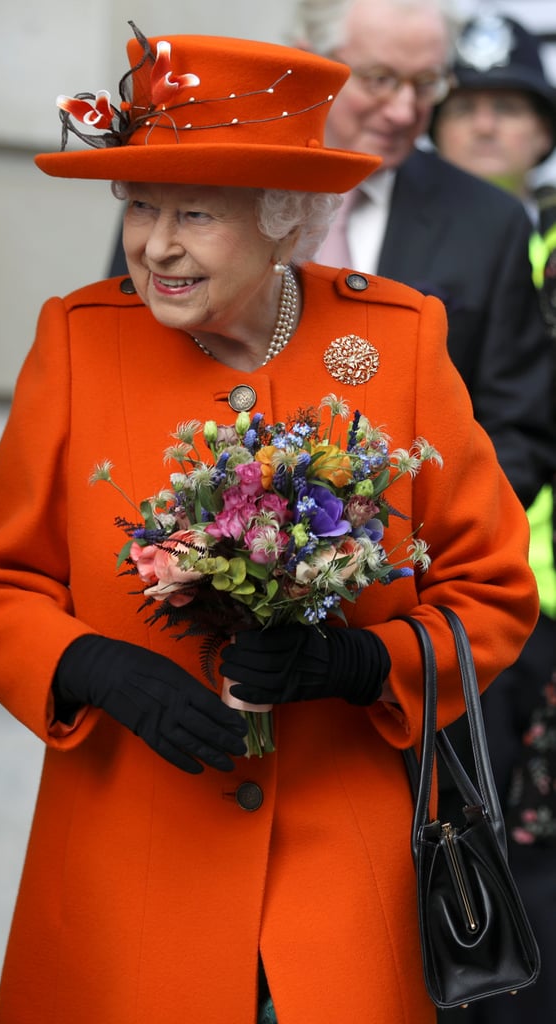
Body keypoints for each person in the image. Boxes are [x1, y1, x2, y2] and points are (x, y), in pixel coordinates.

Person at [0, 25, 538, 1024]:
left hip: (342, 885)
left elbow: (491, 593)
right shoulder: (81, 341)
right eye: (139, 207)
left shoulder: (391, 344)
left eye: (194, 214)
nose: (155, 245)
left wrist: (362, 664)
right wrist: (91, 666)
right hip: (129, 877)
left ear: (284, 220)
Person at [291, 0, 554, 511]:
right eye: (379, 79)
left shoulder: (489, 222)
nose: (405, 111)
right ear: (310, 63)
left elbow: (518, 427)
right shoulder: (218, 193)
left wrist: (411, 544)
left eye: (426, 83)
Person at [430, 14, 556, 1024]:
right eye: (464, 108)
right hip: (473, 599)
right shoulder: (407, 240)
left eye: (506, 108)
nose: (484, 129)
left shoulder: (543, 243)